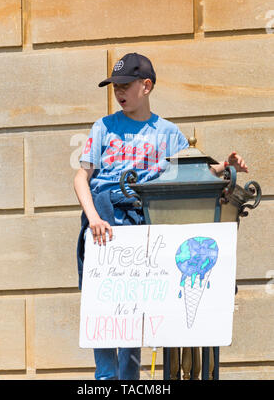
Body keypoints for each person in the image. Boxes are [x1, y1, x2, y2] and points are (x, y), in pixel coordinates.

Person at [73, 52, 248, 380]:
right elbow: (81, 177)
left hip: (143, 224)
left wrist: (226, 167)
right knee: (105, 315)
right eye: (115, 87)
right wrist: (94, 218)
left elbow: (194, 172)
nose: (120, 92)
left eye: (126, 85)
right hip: (104, 224)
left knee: (133, 319)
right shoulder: (103, 127)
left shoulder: (168, 133)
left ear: (147, 86)